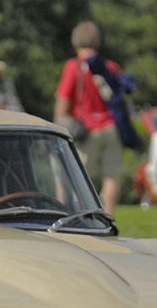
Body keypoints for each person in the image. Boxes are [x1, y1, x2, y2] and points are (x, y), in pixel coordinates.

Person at [53, 21, 125, 215]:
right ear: (97, 42)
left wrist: (56, 127)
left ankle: (80, 218)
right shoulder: (110, 66)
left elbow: (63, 102)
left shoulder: (73, 66)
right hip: (111, 127)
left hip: (86, 130)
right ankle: (109, 217)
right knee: (111, 176)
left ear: (76, 42)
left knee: (78, 178)